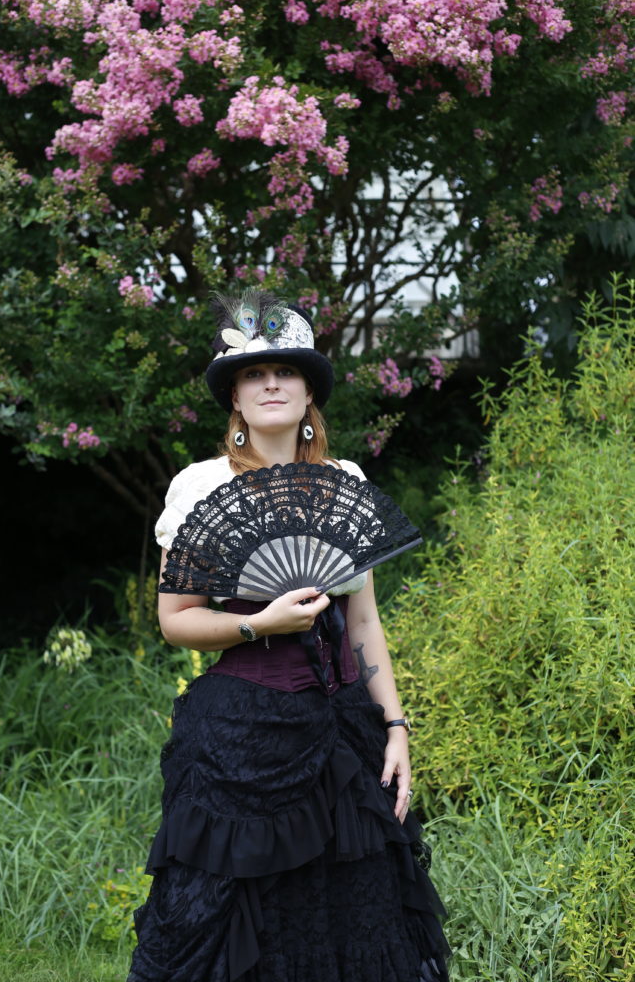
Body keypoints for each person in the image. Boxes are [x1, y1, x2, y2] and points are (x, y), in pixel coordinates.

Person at [127, 289, 450, 982]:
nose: (270, 383)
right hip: (240, 735)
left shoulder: (344, 481)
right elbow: (176, 620)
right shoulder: (199, 486)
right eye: (253, 373)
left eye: (286, 372)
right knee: (243, 911)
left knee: (350, 910)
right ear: (236, 399)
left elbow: (362, 622)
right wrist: (258, 622)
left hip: (342, 732)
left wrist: (395, 728)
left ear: (308, 396)